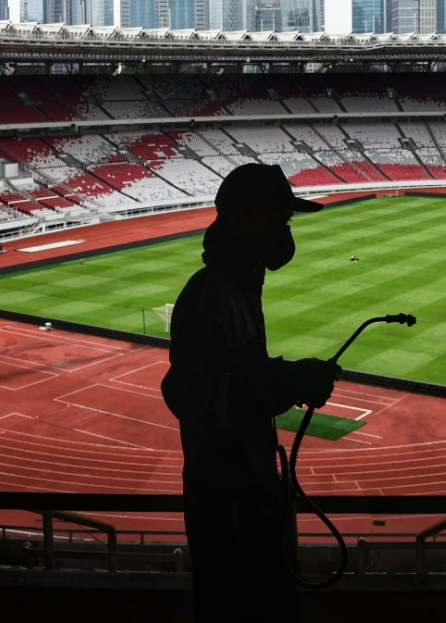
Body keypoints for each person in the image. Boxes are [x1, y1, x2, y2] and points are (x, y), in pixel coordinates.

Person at [161, 163, 337, 622]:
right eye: (277, 216)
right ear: (240, 219)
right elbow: (193, 398)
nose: (285, 229)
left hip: (249, 494)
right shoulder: (212, 296)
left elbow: (235, 382)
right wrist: (290, 381)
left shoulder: (237, 289)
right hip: (228, 507)